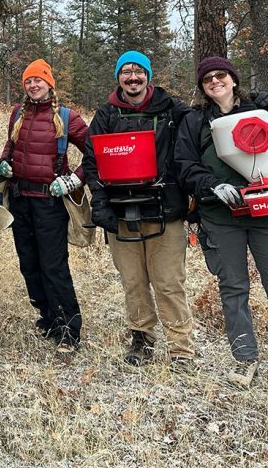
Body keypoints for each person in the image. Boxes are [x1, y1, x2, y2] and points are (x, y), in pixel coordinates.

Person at [82, 50, 194, 368]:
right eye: (126, 72)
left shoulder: (172, 109)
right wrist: (99, 202)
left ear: (148, 75)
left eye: (138, 71)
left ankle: (181, 350)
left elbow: (199, 136)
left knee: (169, 282)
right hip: (120, 211)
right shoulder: (105, 114)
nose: (133, 77)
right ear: (118, 77)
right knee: (133, 280)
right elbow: (92, 161)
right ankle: (142, 339)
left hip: (164, 209)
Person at [176, 56, 268, 388]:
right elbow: (184, 164)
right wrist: (213, 186)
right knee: (233, 288)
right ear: (202, 87)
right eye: (207, 79)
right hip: (220, 217)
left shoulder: (260, 106)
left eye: (221, 75)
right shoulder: (195, 120)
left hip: (263, 212)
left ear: (232, 78)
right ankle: (245, 359)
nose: (215, 81)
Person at [0, 59, 88, 353]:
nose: (34, 85)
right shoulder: (17, 114)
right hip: (20, 200)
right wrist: (4, 164)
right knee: (29, 264)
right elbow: (9, 149)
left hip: (50, 203)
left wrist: (74, 180)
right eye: (29, 81)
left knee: (53, 266)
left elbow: (96, 154)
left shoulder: (66, 117)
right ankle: (48, 317)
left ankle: (68, 328)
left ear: (50, 83)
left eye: (39, 80)